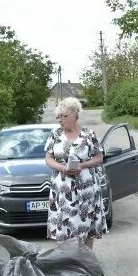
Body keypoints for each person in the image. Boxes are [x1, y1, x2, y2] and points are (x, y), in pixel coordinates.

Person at [44, 97, 107, 249]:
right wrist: (62, 168)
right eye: (58, 117)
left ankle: (87, 262)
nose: (60, 120)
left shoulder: (88, 134)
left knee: (87, 228)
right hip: (63, 190)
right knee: (65, 230)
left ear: (75, 115)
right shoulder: (55, 134)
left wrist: (82, 165)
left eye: (64, 116)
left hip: (87, 189)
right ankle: (68, 265)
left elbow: (99, 157)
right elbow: (48, 158)